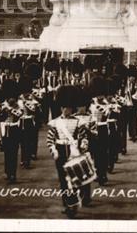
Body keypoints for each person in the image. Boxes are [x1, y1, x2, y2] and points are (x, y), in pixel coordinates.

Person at [46, 85, 89, 218]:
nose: (67, 110)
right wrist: (53, 149)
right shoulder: (55, 122)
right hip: (60, 152)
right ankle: (67, 204)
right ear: (61, 108)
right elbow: (50, 139)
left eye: (69, 108)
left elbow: (83, 137)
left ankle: (73, 204)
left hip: (74, 152)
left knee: (73, 179)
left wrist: (83, 144)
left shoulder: (78, 122)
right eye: (65, 107)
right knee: (63, 180)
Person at [0, 97, 23, 183]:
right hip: (5, 131)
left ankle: (13, 174)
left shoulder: (19, 108)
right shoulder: (4, 107)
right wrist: (0, 110)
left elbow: (18, 116)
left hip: (14, 131)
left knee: (13, 153)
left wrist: (10, 109)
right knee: (7, 153)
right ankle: (7, 172)